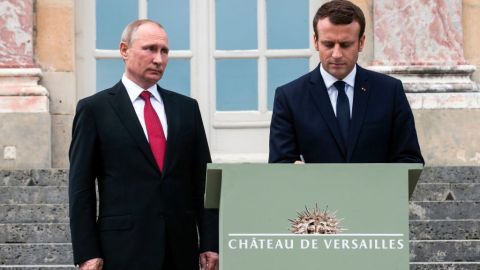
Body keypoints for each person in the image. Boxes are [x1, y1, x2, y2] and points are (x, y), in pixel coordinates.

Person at [69, 19, 218, 270]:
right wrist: (87, 252)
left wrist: (211, 242)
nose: (159, 59)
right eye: (150, 49)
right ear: (124, 50)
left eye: (164, 51)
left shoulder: (187, 109)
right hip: (122, 249)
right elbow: (81, 188)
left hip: (180, 249)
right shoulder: (94, 110)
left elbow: (204, 183)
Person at [269, 0, 424, 164]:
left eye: (345, 45)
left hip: (374, 189)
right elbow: (280, 164)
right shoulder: (289, 97)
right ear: (315, 42)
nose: (336, 54)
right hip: (314, 190)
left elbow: (410, 160)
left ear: (361, 43)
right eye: (328, 44)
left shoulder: (389, 91)